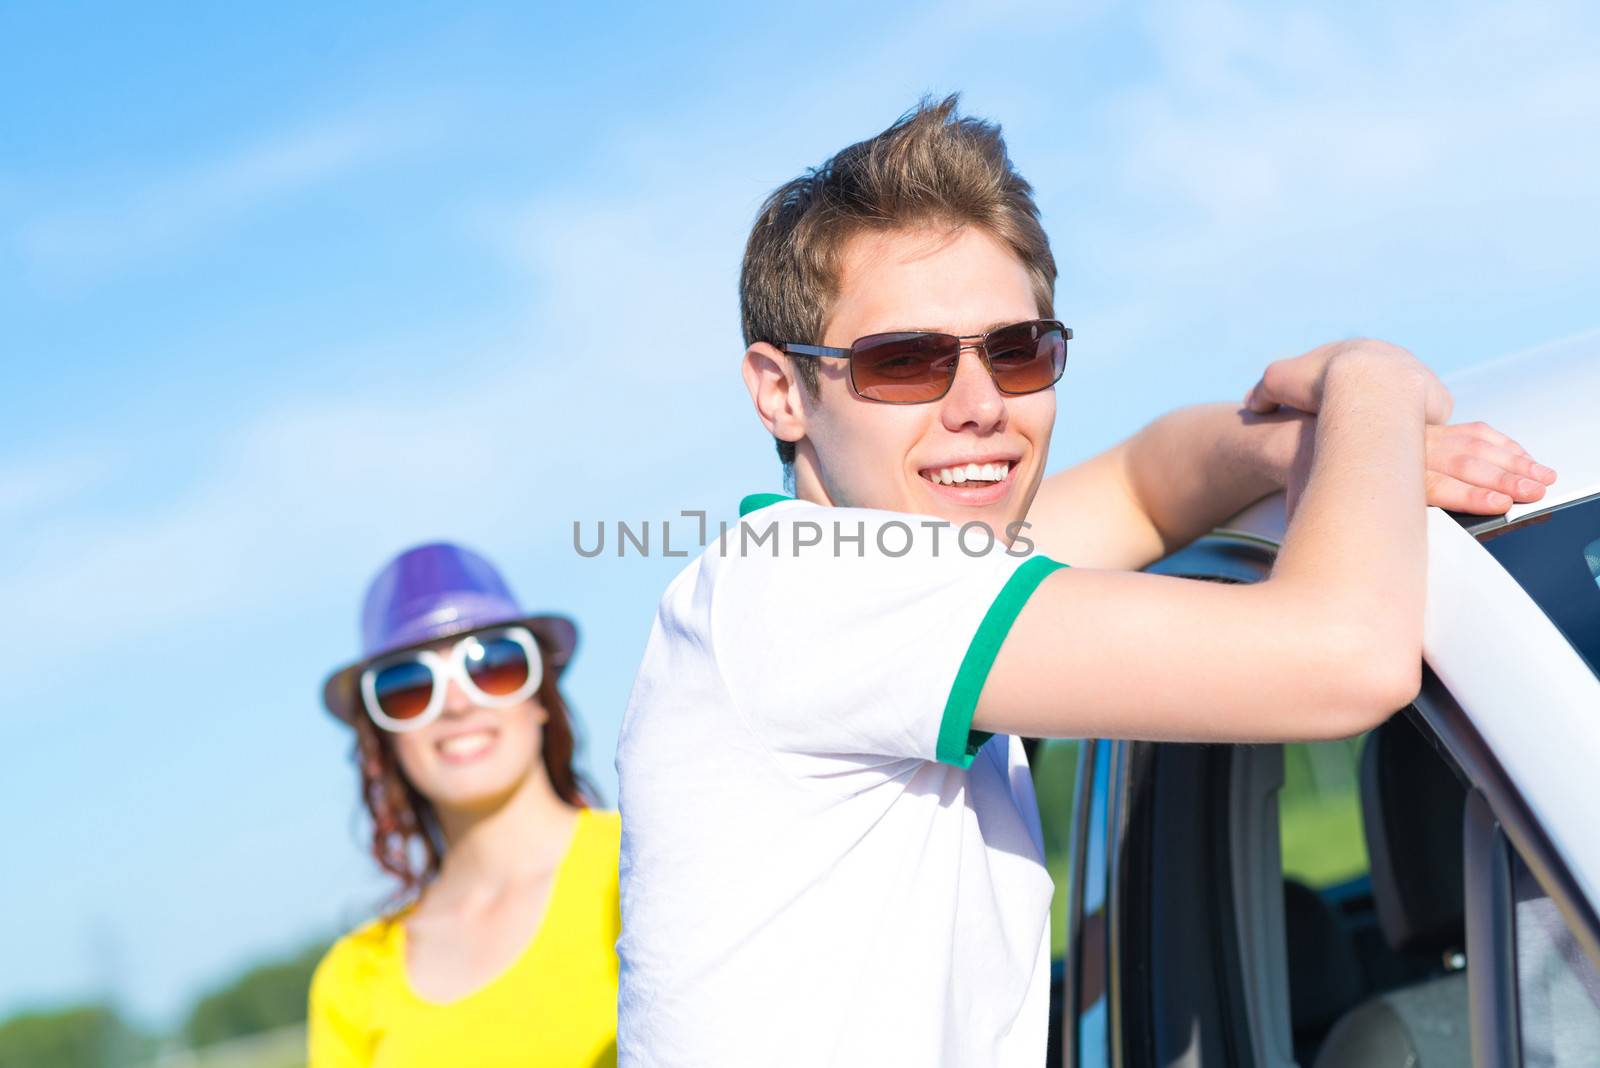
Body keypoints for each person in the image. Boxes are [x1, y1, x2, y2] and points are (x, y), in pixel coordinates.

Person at [614, 96, 1557, 1066]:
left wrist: (1312, 450)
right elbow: (1348, 657)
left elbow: (1144, 488)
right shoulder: (810, 588)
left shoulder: (855, 574)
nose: (980, 407)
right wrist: (1374, 381)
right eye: (907, 363)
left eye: (1017, 352)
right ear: (781, 391)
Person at [309, 543, 619, 1068]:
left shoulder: (654, 861)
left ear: (541, 693)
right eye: (407, 686)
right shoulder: (353, 979)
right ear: (381, 737)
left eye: (492, 663)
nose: (456, 703)